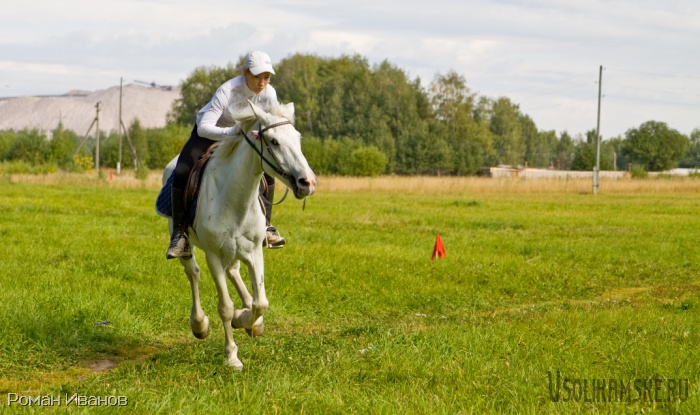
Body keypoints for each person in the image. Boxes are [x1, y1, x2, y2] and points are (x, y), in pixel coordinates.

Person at [166, 51, 286, 260]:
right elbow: (204, 127)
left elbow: (269, 125)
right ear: (245, 73)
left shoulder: (270, 94)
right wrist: (231, 133)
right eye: (257, 76)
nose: (262, 82)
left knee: (266, 169)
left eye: (266, 77)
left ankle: (267, 227)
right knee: (182, 170)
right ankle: (180, 234)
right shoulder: (228, 90)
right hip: (209, 135)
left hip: (242, 138)